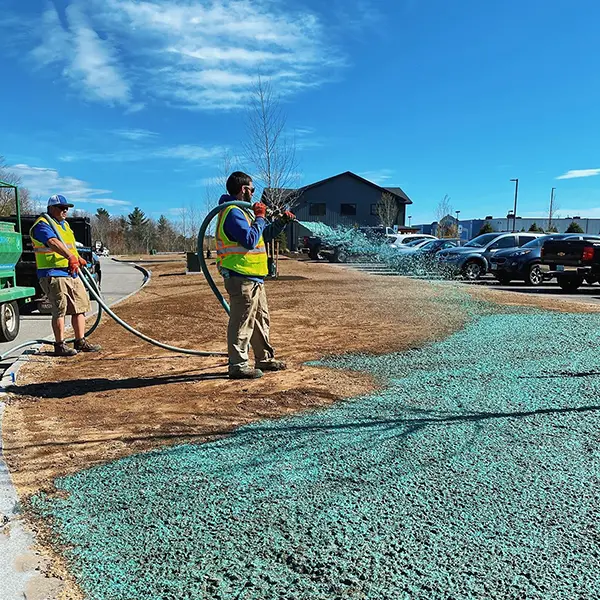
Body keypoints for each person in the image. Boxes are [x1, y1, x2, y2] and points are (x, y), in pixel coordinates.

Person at [216, 171, 294, 379]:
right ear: (244, 190)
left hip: (254, 277)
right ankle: (238, 365)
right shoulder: (232, 212)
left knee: (260, 319)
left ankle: (264, 359)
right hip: (240, 276)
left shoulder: (245, 212)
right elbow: (249, 240)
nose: (254, 193)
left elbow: (262, 235)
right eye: (252, 189)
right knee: (242, 321)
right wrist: (260, 217)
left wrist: (280, 223)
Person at [30, 194, 102, 357]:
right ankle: (60, 345)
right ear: (51, 208)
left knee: (80, 307)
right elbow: (53, 243)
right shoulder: (42, 225)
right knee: (60, 309)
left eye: (67, 208)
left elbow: (69, 246)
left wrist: (77, 258)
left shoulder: (64, 225)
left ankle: (80, 341)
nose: (65, 210)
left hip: (71, 272)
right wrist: (70, 257)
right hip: (53, 273)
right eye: (62, 207)